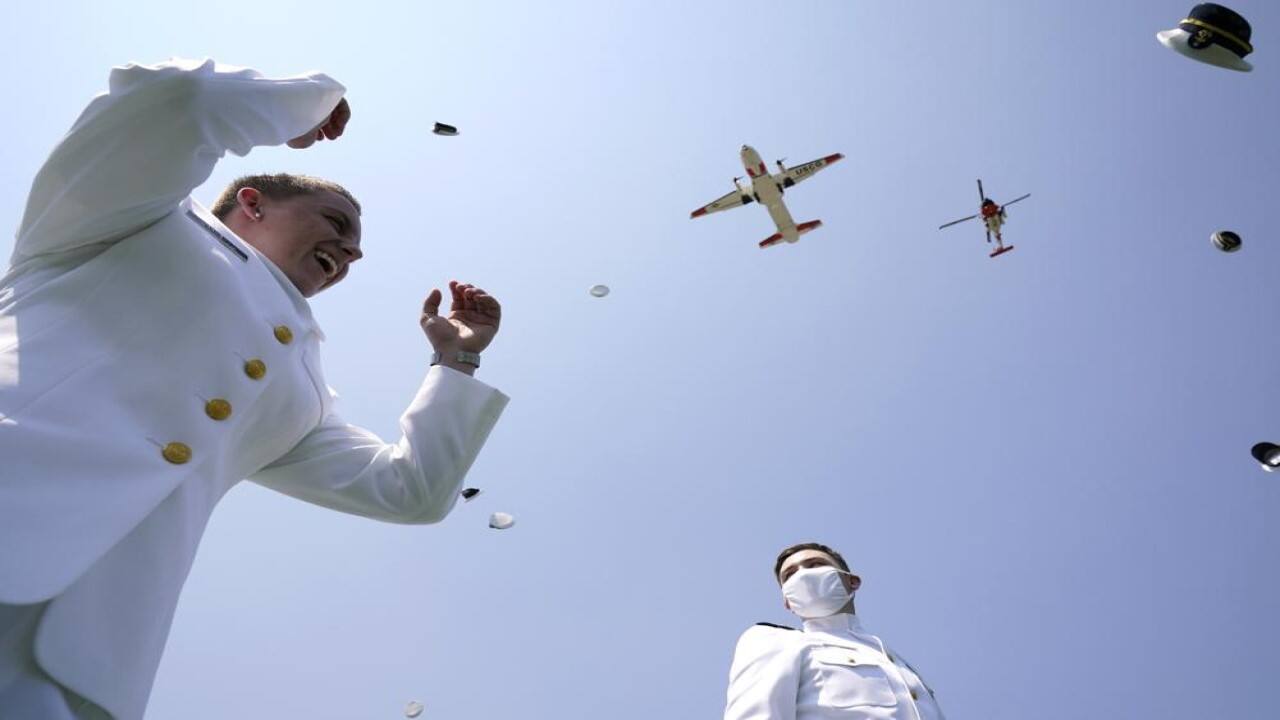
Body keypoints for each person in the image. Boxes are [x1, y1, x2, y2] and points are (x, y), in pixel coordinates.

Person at [0, 58, 509, 719]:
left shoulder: (300, 389)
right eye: (336, 222)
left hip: (71, 669)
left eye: (356, 252)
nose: (349, 253)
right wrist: (309, 103)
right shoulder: (128, 219)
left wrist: (454, 364)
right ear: (252, 202)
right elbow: (176, 99)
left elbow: (410, 491)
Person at [724, 542, 945, 719]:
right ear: (787, 603)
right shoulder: (773, 640)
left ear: (852, 581)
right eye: (789, 575)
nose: (802, 575)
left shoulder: (900, 666)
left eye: (815, 565)